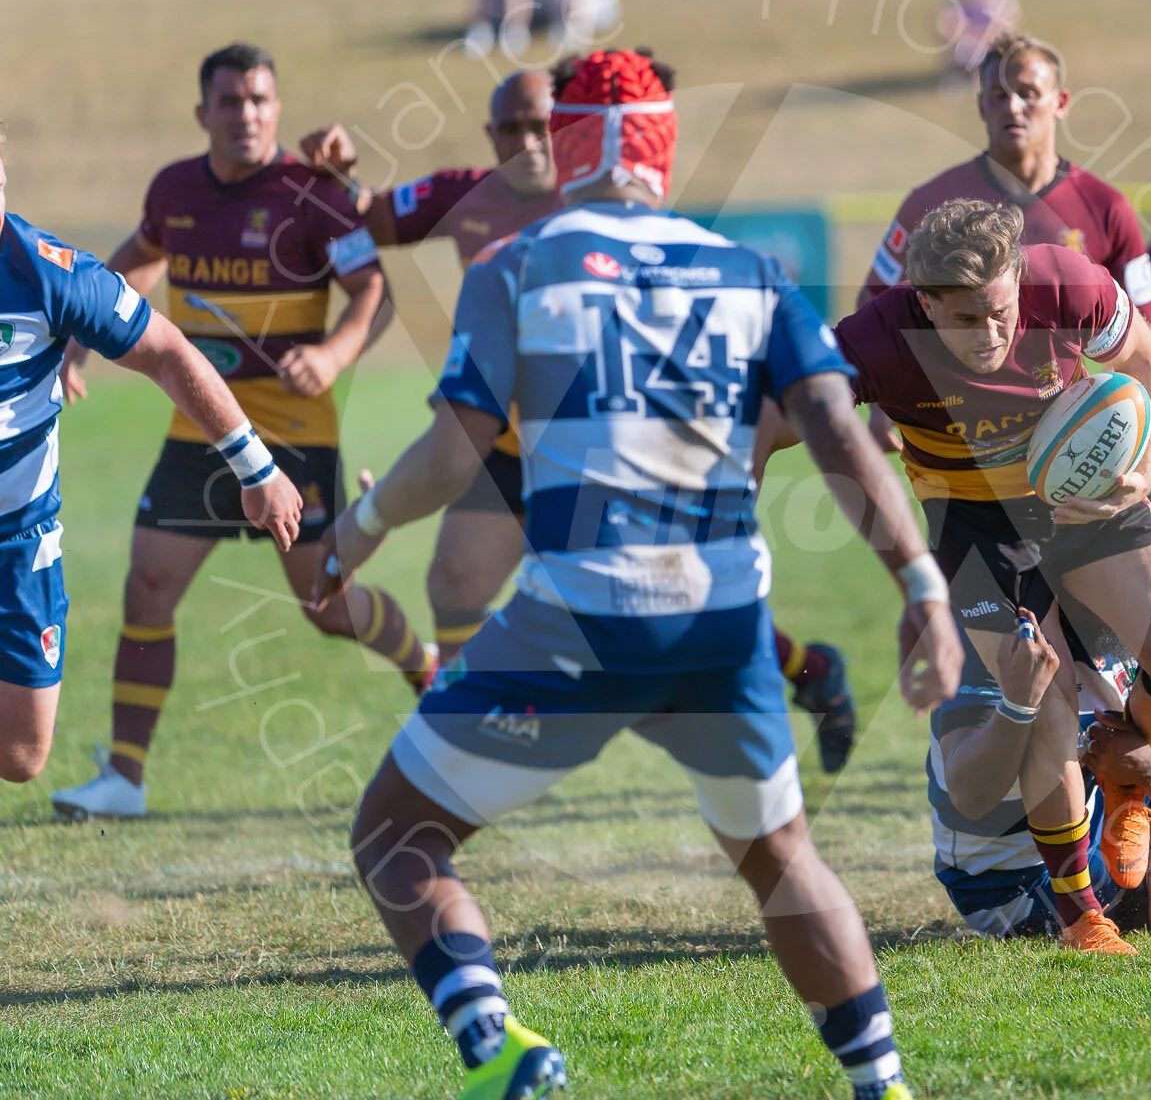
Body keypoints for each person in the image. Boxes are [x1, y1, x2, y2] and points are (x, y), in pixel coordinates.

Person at [312, 48, 964, 1100]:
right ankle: (882, 1086)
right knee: (779, 857)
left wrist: (351, 533)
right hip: (722, 619)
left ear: (567, 143)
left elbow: (451, 452)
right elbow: (843, 434)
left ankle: (496, 1048)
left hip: (579, 616)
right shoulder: (749, 271)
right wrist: (923, 589)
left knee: (395, 834)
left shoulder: (518, 266)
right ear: (665, 147)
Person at [300, 70, 863, 774]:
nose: (528, 141)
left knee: (659, 599)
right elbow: (367, 218)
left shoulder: (610, 203)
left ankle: (811, 670)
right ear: (491, 135)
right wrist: (339, 175)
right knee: (455, 582)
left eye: (542, 125)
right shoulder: (462, 193)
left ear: (573, 131)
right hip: (505, 443)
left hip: (606, 442)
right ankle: (478, 738)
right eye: (511, 128)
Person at [49, 43, 434, 821]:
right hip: (201, 435)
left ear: (277, 110)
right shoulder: (175, 188)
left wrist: (331, 354)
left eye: (259, 100)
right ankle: (125, 776)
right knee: (147, 585)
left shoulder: (314, 195)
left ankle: (424, 662)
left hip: (295, 440)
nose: (246, 114)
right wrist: (76, 339)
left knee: (325, 607)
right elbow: (137, 258)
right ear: (204, 114)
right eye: (230, 101)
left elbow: (371, 291)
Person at [834, 197, 1151, 941]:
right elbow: (784, 415)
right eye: (966, 320)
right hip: (977, 531)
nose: (993, 334)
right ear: (924, 303)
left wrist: (1143, 458)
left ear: (1019, 279)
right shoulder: (872, 340)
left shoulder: (1065, 281)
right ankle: (1084, 919)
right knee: (1045, 701)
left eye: (1001, 312)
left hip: (1084, 490)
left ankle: (1129, 783)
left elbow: (1143, 355)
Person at [0, 138, 301, 786]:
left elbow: (166, 352)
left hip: (17, 538)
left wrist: (256, 468)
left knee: (21, 756)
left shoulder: (45, 273)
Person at [858, 33, 1151, 452]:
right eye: (998, 95)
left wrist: (1127, 429)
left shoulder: (1106, 207)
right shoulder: (929, 206)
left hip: (1075, 435)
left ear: (1061, 102)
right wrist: (880, 407)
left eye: (1028, 93)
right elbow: (875, 298)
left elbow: (1146, 325)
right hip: (966, 443)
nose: (1013, 107)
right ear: (981, 104)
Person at [932, 613, 1151, 942]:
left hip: (1095, 809)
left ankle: (1134, 855)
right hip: (1017, 881)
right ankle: (1102, 895)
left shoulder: (1125, 601)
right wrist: (1019, 705)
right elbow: (969, 792)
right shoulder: (993, 630)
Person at [935, 0, 1021, 87]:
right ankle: (963, 74)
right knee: (966, 48)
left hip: (988, 39)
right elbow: (949, 22)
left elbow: (1005, 25)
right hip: (966, 39)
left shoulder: (998, 4)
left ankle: (981, 75)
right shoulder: (959, 4)